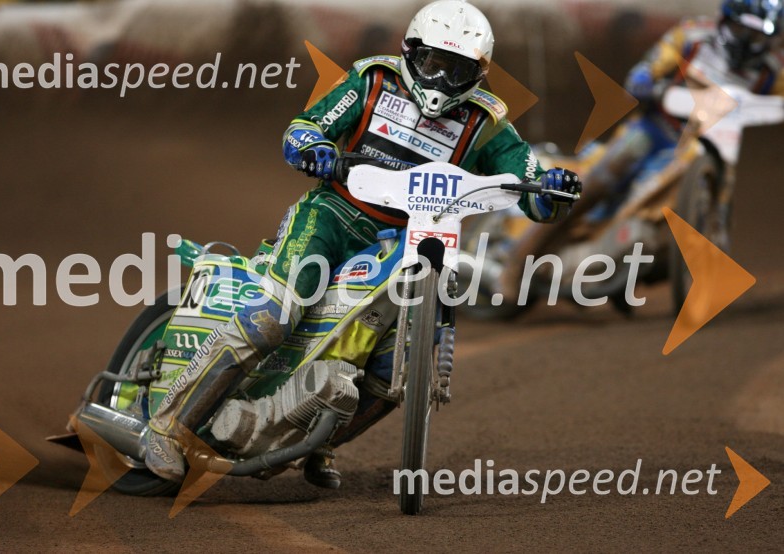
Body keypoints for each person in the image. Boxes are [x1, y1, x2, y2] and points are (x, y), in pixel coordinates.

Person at [141, 0, 581, 488]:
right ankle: (167, 426)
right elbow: (303, 129)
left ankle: (317, 444)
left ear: (478, 73)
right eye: (434, 63)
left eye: (456, 70)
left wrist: (555, 187)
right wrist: (318, 153)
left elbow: (533, 185)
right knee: (274, 318)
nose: (440, 81)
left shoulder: (487, 120)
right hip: (331, 216)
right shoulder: (371, 81)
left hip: (410, 240)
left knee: (398, 370)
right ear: (411, 52)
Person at [499, 0, 784, 290]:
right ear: (725, 20)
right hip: (655, 130)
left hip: (711, 146)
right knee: (599, 179)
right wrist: (645, 79)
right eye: (741, 30)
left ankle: (651, 268)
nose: (747, 42)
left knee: (679, 218)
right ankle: (519, 260)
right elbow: (651, 64)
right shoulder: (693, 35)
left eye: (757, 35)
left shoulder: (771, 71)